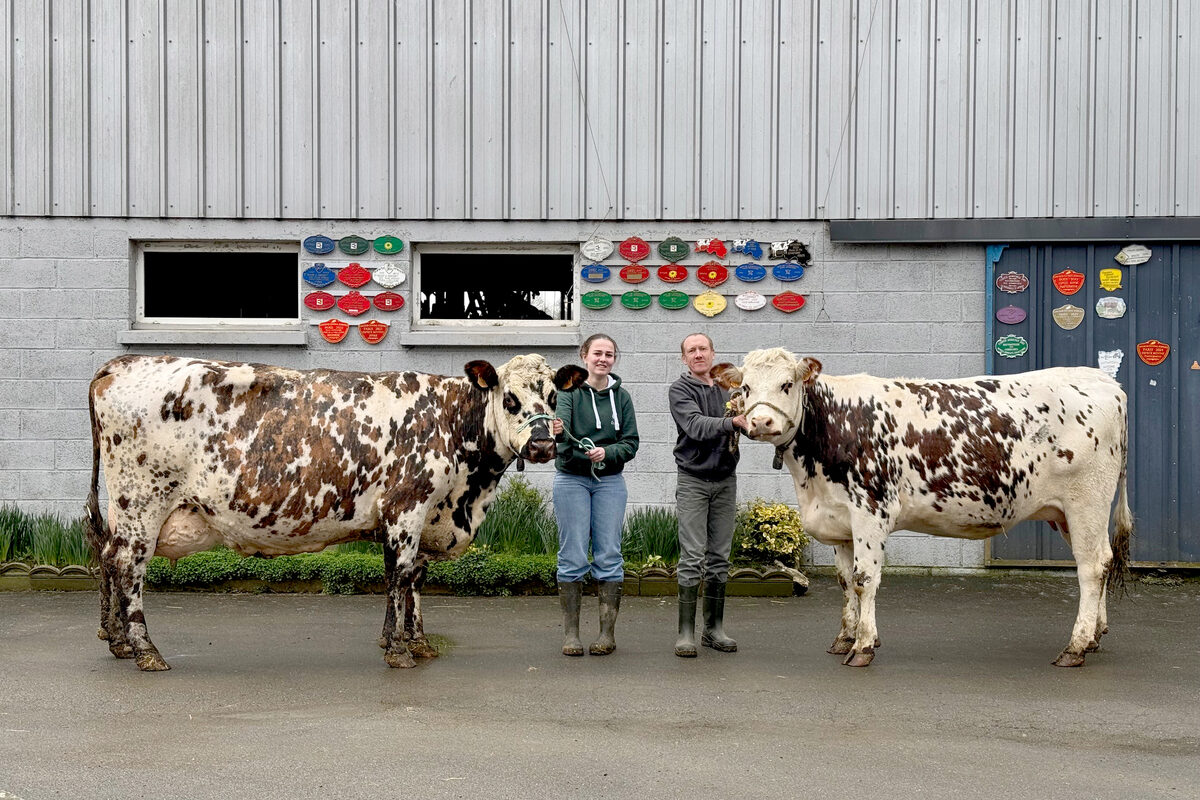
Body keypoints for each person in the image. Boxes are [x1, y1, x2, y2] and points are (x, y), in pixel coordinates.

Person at [552, 333, 640, 656]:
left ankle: (607, 634)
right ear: (584, 355)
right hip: (572, 479)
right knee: (573, 555)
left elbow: (631, 442)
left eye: (609, 354)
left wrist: (608, 453)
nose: (603, 359)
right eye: (597, 353)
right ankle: (571, 635)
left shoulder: (623, 397)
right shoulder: (569, 393)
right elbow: (562, 442)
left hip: (610, 481)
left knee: (609, 555)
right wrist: (581, 452)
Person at [668, 332, 748, 657]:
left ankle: (713, 630)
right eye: (692, 350)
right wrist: (733, 423)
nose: (698, 354)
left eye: (703, 348)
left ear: (713, 353)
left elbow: (747, 424)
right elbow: (696, 426)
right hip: (693, 480)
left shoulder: (731, 390)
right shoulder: (680, 390)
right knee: (692, 557)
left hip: (726, 479)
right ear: (684, 358)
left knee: (719, 557)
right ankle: (685, 633)